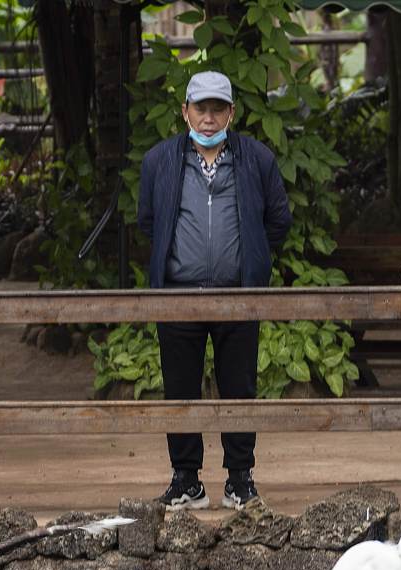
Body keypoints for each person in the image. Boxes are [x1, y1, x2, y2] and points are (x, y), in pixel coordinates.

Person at [137, 71, 292, 510]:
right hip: (178, 296)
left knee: (239, 386)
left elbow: (278, 221)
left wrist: (252, 256)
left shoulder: (256, 159)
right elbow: (148, 222)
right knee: (180, 389)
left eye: (217, 109)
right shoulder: (160, 161)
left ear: (231, 113)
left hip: (238, 295)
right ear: (184, 111)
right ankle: (186, 479)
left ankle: (240, 478)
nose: (208, 118)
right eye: (200, 109)